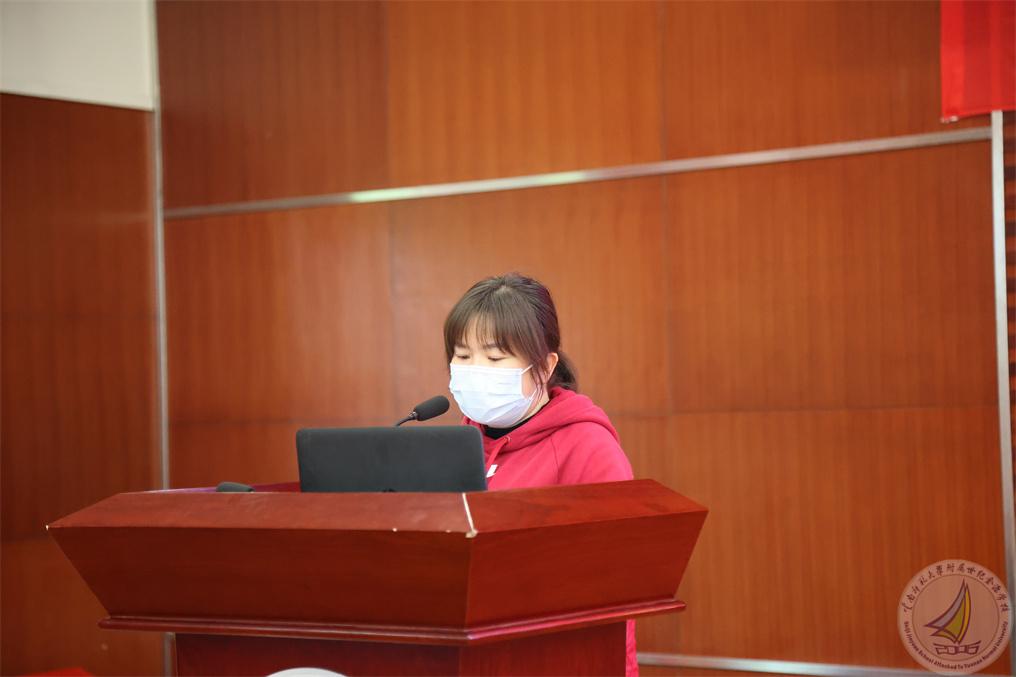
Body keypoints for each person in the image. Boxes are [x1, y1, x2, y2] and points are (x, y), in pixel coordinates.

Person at [443, 272, 638, 677]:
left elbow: (614, 580)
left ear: (545, 366)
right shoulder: (454, 447)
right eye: (462, 355)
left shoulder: (587, 446)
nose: (476, 370)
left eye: (495, 359)